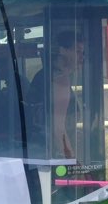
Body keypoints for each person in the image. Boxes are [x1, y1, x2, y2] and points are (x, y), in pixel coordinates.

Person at [27, 31, 83, 159]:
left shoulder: (45, 74)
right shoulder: (59, 79)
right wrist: (72, 163)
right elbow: (58, 129)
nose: (81, 57)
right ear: (63, 51)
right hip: (53, 152)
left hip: (41, 148)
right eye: (78, 51)